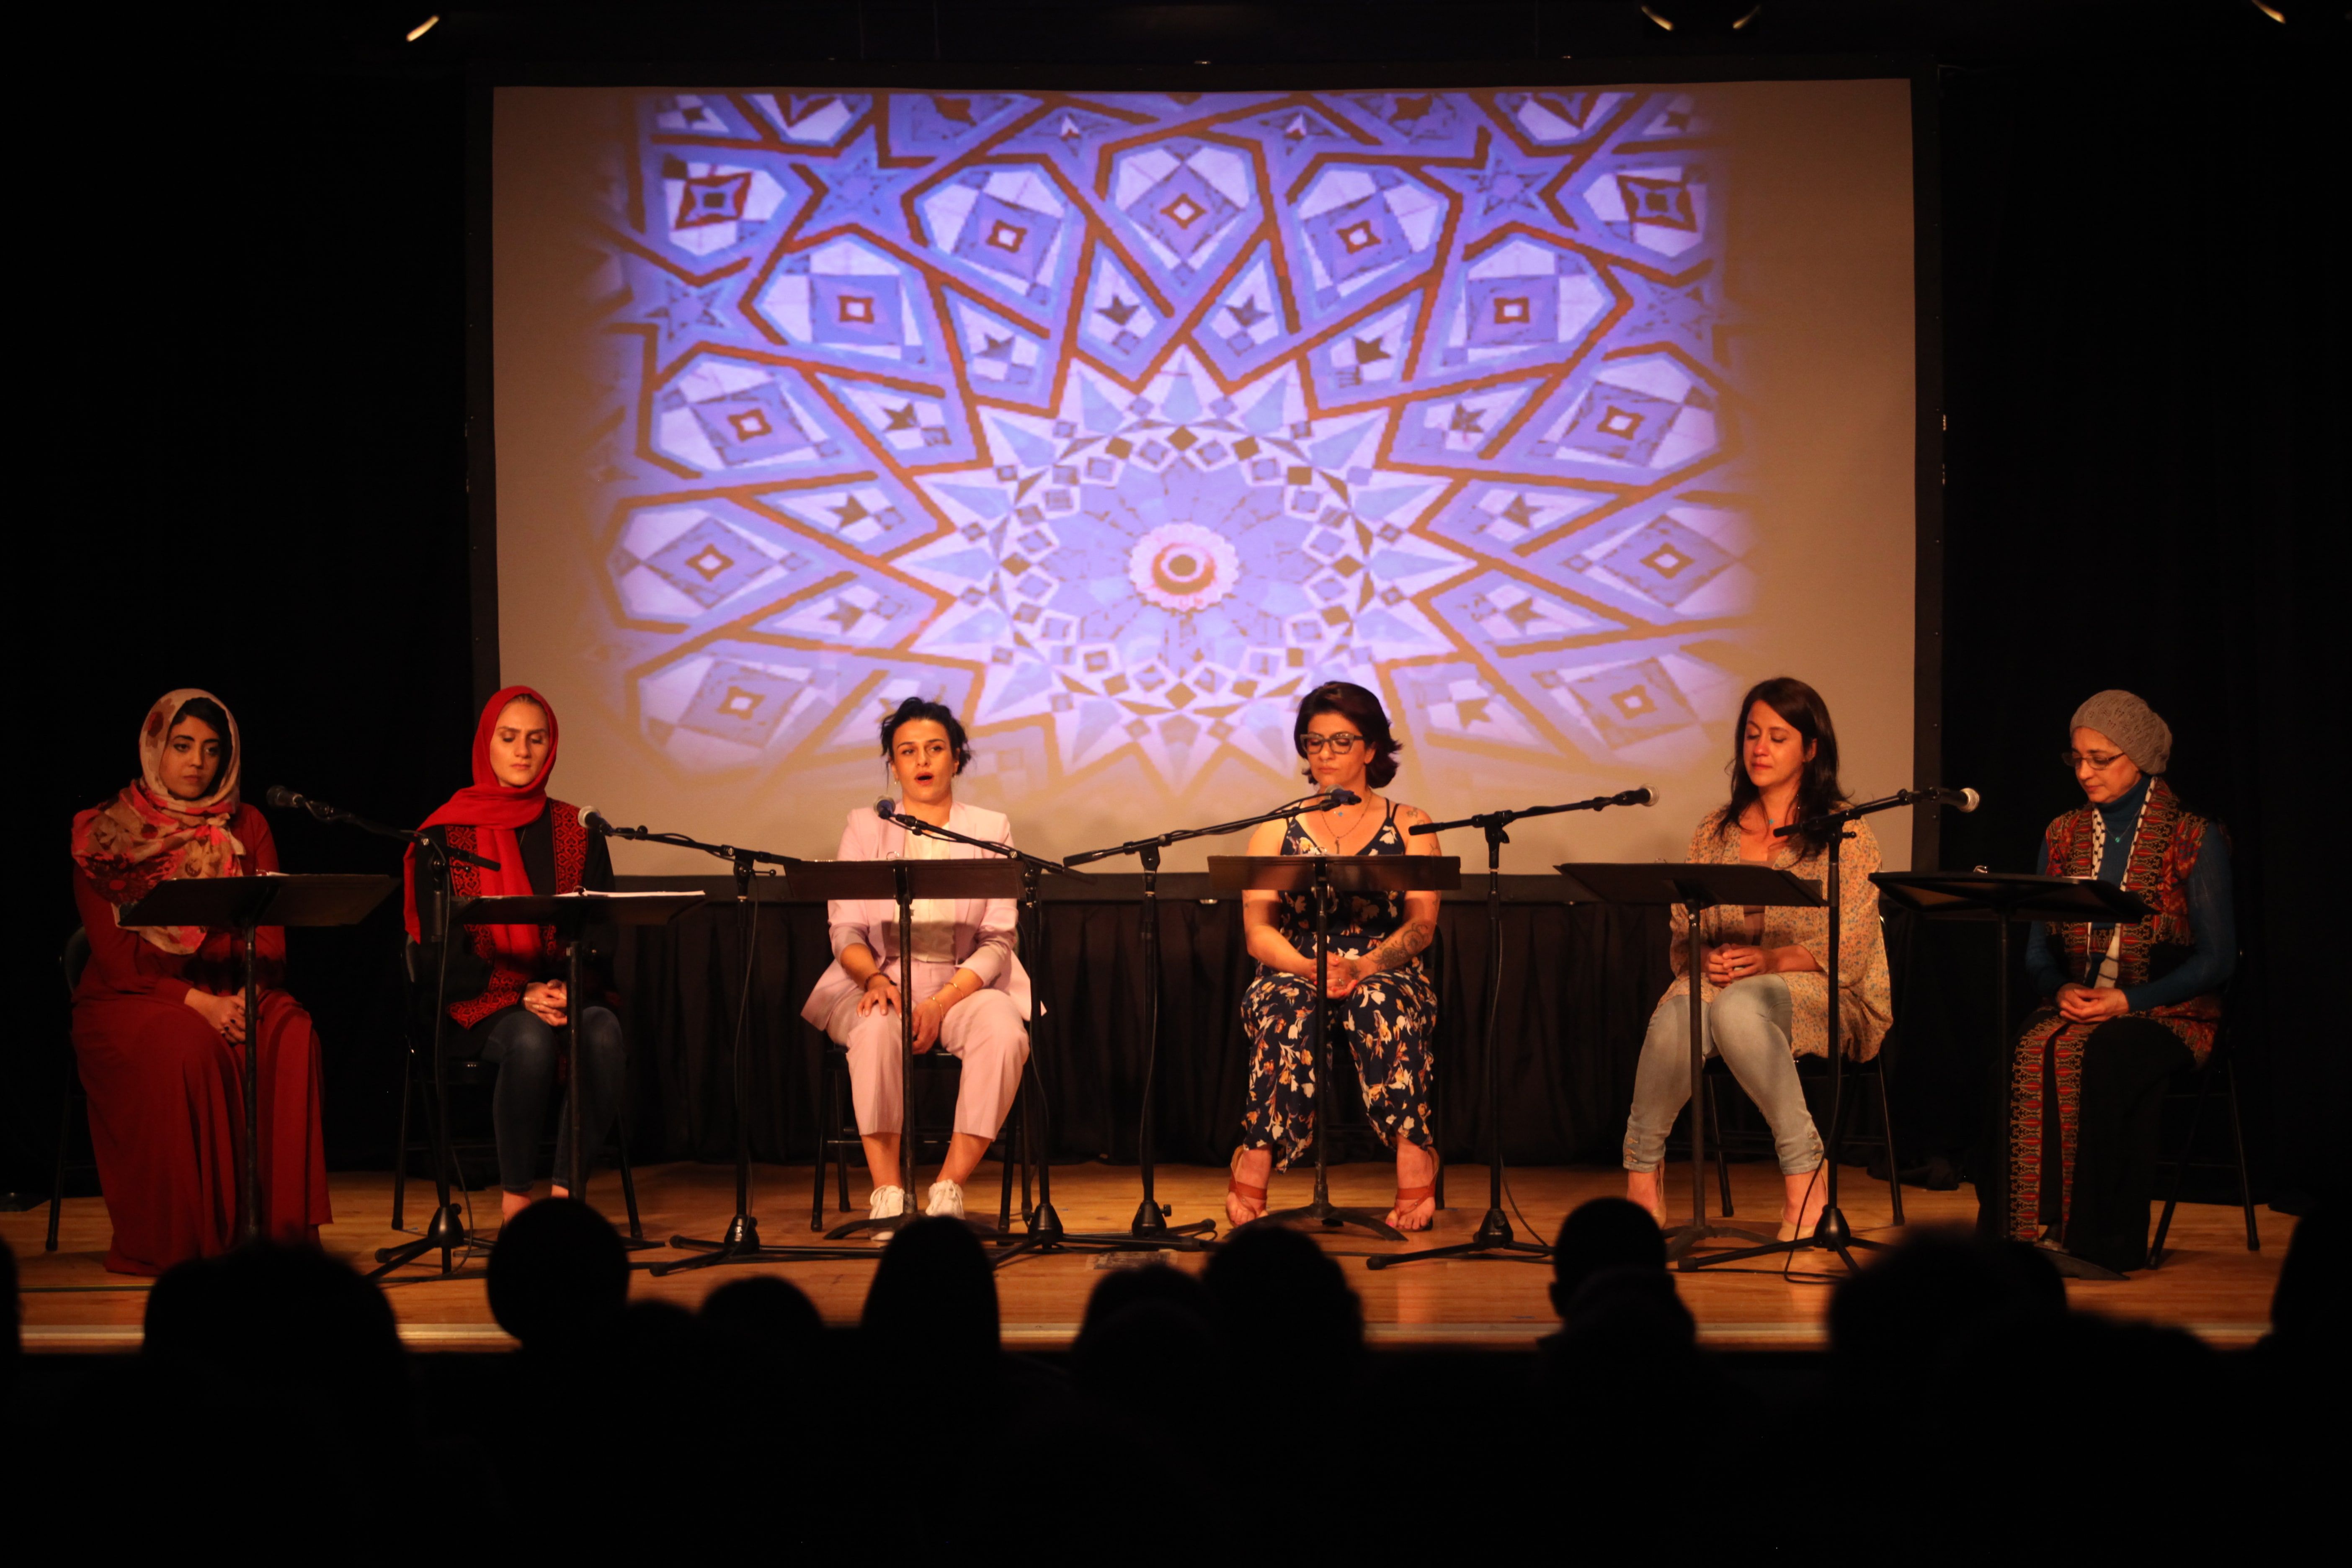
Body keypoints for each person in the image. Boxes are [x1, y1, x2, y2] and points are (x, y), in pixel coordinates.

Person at [68, 689, 332, 1274]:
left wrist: (244, 997)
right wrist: (201, 1003)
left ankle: (285, 1245)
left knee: (292, 1034)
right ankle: (199, 1252)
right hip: (134, 997)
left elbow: (270, 944)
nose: (197, 762)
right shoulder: (104, 833)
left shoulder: (248, 824)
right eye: (182, 746)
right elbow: (119, 961)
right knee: (188, 1048)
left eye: (212, 750)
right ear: (154, 748)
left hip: (236, 990)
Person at [1621, 676, 1892, 1241]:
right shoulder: (1714, 831)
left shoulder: (1845, 832)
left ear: (1811, 749)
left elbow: (1853, 948)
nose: (1760, 748)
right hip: (1722, 986)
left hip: (1827, 992)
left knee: (1738, 1008)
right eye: (1751, 735)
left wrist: (1770, 962)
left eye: (1777, 737)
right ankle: (1642, 1175)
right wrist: (1706, 958)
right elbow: (1683, 937)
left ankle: (1805, 1173)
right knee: (1679, 1014)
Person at [2008, 690, 2232, 1271]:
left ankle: (2097, 1241)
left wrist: (2128, 1000)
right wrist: (2059, 989)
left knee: (2104, 1055)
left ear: (2141, 758)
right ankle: (2021, 1233)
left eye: (2101, 759)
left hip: (2172, 1013)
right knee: (2028, 1047)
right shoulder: (2062, 834)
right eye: (2077, 758)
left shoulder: (2193, 836)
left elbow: (2217, 960)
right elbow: (2036, 950)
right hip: (2081, 1004)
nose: (2085, 772)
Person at [801, 696, 1030, 1233]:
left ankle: (949, 1188)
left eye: (935, 749)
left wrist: (942, 1002)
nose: (922, 761)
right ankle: (888, 1194)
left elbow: (999, 938)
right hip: (875, 978)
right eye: (908, 751)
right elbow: (845, 929)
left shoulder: (989, 827)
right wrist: (875, 979)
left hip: (963, 985)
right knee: (876, 1024)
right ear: (893, 764)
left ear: (957, 758)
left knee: (1005, 1032)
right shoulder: (865, 827)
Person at [1226, 681, 1444, 1233]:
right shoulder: (1278, 827)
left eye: (1341, 741)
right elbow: (1258, 931)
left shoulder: (1412, 823)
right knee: (1288, 1005)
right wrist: (1308, 966)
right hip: (1294, 966)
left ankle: (1414, 1152)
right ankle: (1256, 1152)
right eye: (1314, 741)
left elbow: (1422, 925)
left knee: (1378, 1002)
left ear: (1371, 749)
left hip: (1386, 968)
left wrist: (1365, 966)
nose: (1325, 753)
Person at [404, 685, 625, 1222]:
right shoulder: (442, 835)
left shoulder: (579, 829)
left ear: (552, 746)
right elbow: (437, 951)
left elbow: (601, 930)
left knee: (602, 1031)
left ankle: (567, 1200)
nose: (523, 751)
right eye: (509, 738)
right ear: (487, 744)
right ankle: (517, 1206)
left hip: (561, 990)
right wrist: (520, 993)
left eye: (536, 739)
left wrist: (567, 986)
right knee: (529, 1041)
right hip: (474, 1000)